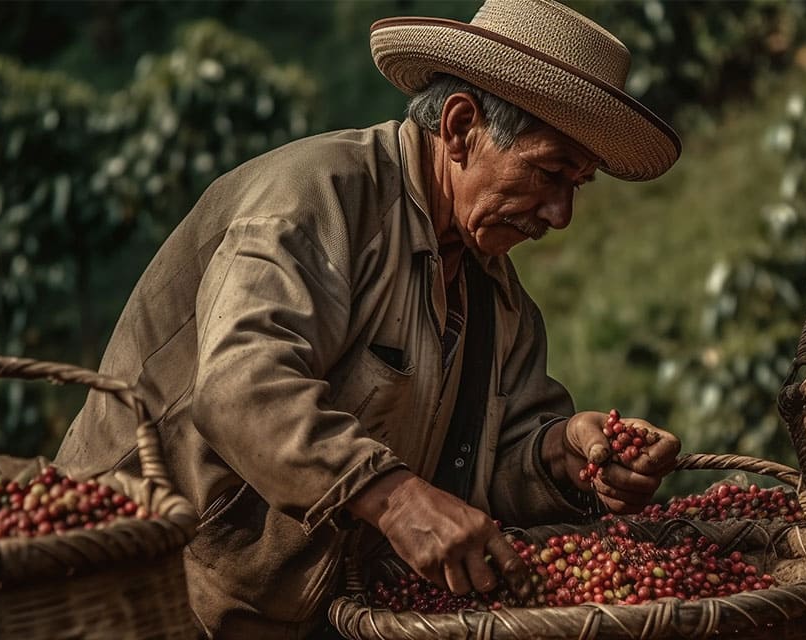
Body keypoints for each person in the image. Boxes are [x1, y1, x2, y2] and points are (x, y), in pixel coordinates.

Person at [55, 0, 683, 636]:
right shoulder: (315, 201)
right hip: (142, 591)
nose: (561, 214)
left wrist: (562, 453)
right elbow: (241, 387)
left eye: (577, 184)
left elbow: (487, 462)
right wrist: (396, 497)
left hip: (305, 615)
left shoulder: (497, 294)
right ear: (462, 127)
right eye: (549, 173)